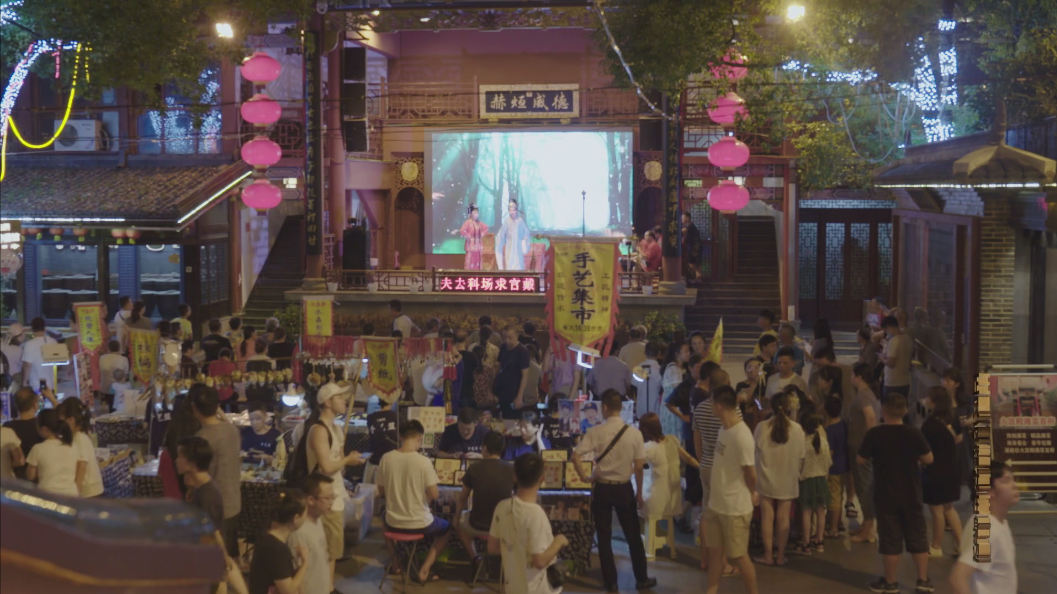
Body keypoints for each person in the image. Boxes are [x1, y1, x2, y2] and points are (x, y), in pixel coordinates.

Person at [571, 389, 656, 593]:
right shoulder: (634, 433)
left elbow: (575, 455)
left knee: (604, 537)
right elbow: (638, 467)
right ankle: (641, 579)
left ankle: (611, 583)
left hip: (602, 488)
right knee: (633, 536)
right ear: (620, 407)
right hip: (624, 489)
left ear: (605, 407)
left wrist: (584, 477)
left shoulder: (596, 431)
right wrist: (638, 494)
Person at [857, 394, 934, 594]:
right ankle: (923, 581)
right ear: (905, 411)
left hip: (885, 494)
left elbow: (860, 459)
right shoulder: (914, 433)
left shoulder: (875, 434)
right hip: (912, 493)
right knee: (918, 538)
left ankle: (891, 583)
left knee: (890, 541)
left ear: (883, 411)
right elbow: (929, 459)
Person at [295, 382, 366, 583]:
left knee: (332, 551)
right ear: (327, 402)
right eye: (339, 397)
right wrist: (348, 460)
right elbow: (326, 467)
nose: (344, 401)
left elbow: (337, 464)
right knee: (327, 550)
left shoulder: (336, 429)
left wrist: (348, 459)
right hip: (323, 497)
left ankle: (327, 587)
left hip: (335, 494)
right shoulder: (318, 430)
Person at [377, 420, 452, 584]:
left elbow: (381, 491)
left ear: (400, 437)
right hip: (420, 522)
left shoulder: (386, 458)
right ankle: (424, 570)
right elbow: (434, 494)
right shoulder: (423, 462)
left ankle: (395, 564)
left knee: (384, 518)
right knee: (447, 529)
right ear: (420, 438)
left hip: (393, 522)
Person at [703, 386, 760, 594]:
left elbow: (751, 473)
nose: (710, 406)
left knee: (739, 556)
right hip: (716, 504)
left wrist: (753, 493)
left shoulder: (742, 435)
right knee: (715, 553)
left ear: (719, 406)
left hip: (735, 508)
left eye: (711, 402)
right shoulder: (723, 429)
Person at [488, 453, 568, 594]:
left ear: (515, 476)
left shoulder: (502, 507)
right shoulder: (536, 514)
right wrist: (559, 541)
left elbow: (492, 547)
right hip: (537, 589)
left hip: (512, 587)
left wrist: (515, 549)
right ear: (542, 478)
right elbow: (539, 561)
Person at [752, 390, 805, 566]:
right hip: (788, 477)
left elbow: (754, 451)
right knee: (784, 518)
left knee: (767, 517)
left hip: (765, 477)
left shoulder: (762, 427)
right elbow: (802, 455)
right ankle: (781, 556)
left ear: (771, 408)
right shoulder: (797, 429)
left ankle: (768, 555)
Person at [949, 460, 1018, 594]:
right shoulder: (986, 528)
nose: (1014, 485)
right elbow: (958, 578)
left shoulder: (999, 522)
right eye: (1006, 481)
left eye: (1013, 480)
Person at [191, 386, 242, 560]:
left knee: (215, 561)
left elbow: (195, 478)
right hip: (233, 502)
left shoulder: (201, 439)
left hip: (212, 507)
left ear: (194, 408)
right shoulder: (232, 430)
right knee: (229, 557)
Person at [455, 430, 515, 562]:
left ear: (485, 448)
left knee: (459, 526)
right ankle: (503, 560)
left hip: (477, 525)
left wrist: (456, 518)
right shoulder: (512, 469)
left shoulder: (474, 468)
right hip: (503, 526)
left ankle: (476, 558)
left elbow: (463, 497)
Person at [921, 386, 964, 557]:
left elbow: (923, 448)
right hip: (951, 468)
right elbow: (958, 438)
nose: (925, 400)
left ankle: (936, 546)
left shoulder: (930, 425)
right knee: (948, 508)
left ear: (934, 402)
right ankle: (962, 545)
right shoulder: (952, 418)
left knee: (936, 510)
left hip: (935, 471)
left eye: (928, 397)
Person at [248, 489, 309, 594]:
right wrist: (305, 564)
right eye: (305, 514)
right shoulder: (276, 548)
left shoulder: (268, 537)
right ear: (296, 518)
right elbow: (288, 591)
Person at [639, 412, 697, 521]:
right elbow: (689, 459)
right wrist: (702, 468)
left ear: (644, 430)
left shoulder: (648, 447)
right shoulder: (672, 440)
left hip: (656, 499)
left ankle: (643, 528)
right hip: (673, 499)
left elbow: (635, 467)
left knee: (634, 489)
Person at [289, 473, 337, 594]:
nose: (331, 502)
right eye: (327, 498)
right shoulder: (299, 532)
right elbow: (298, 576)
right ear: (310, 500)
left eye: (333, 497)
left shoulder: (318, 519)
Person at [849, 362, 881, 543]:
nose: (850, 378)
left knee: (865, 487)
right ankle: (866, 524)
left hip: (862, 448)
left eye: (852, 375)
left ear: (858, 378)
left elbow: (870, 417)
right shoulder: (868, 394)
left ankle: (868, 529)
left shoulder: (863, 395)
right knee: (863, 486)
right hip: (860, 446)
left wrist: (868, 446)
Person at [796, 411, 832, 554]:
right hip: (821, 479)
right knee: (820, 512)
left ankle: (806, 543)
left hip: (806, 480)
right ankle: (819, 541)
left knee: (806, 512)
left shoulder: (803, 442)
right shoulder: (823, 441)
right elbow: (828, 462)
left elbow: (799, 464)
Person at [175, 436, 225, 531]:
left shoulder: (207, 496)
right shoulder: (199, 488)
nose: (176, 460)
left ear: (192, 462)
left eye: (180, 456)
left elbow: (211, 534)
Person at [56, 398, 104, 498]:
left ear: (71, 420)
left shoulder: (79, 438)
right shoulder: (79, 436)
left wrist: (76, 492)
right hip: (90, 491)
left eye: (62, 421)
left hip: (89, 491)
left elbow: (82, 465)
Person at [26, 409, 79, 497]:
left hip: (48, 496)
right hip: (71, 496)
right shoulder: (72, 446)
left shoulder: (38, 448)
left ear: (44, 429)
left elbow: (30, 476)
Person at [823, 395, 850, 537]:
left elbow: (830, 452)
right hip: (844, 465)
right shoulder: (843, 424)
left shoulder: (830, 430)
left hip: (833, 468)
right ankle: (837, 522)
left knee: (833, 499)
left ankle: (833, 528)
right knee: (838, 495)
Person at [4, 387, 44, 479]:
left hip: (15, 478)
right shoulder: (42, 427)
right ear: (35, 405)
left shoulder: (7, 427)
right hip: (38, 476)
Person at [496, 326, 531, 419]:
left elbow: (525, 376)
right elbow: (498, 367)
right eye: (504, 338)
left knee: (514, 420)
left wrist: (519, 396)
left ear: (517, 336)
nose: (507, 340)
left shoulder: (522, 351)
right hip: (502, 391)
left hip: (514, 392)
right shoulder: (503, 347)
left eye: (510, 337)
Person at [660, 341, 690, 437]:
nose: (689, 353)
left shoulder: (677, 368)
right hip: (673, 410)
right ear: (677, 354)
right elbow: (680, 391)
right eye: (686, 351)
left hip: (673, 408)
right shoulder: (674, 370)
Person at [878, 315, 912, 400]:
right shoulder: (907, 338)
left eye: (886, 330)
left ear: (889, 327)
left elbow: (891, 363)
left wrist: (882, 358)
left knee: (890, 406)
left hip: (893, 382)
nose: (887, 333)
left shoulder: (894, 341)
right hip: (905, 381)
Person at [241, 402, 285, 466]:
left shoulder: (275, 435)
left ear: (265, 417)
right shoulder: (245, 432)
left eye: (258, 419)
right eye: (251, 419)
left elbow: (282, 457)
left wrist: (271, 458)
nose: (254, 422)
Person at [20, 317, 58, 391]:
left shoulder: (29, 344)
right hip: (52, 385)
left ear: (32, 329)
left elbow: (27, 365)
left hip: (36, 386)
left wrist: (24, 382)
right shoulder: (53, 341)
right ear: (44, 328)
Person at [495, 198, 531, 271]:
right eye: (510, 210)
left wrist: (524, 246)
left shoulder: (520, 222)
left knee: (518, 267)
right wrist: (499, 245)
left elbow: (526, 235)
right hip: (509, 250)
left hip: (518, 251)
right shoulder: (507, 222)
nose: (512, 212)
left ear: (517, 210)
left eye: (513, 210)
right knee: (509, 266)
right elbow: (500, 236)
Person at [633, 342, 664, 417]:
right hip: (656, 410)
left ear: (644, 352)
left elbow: (634, 385)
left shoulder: (638, 368)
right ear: (659, 353)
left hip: (641, 409)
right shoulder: (660, 370)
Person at [460, 204, 489, 270]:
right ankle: (469, 275)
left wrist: (482, 234)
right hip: (471, 245)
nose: (476, 214)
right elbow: (462, 230)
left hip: (478, 246)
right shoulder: (468, 222)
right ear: (471, 213)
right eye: (475, 213)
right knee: (470, 261)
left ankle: (478, 274)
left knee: (478, 261)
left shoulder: (479, 223)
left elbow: (486, 228)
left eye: (477, 213)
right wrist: (468, 236)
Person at [681, 211, 702, 284]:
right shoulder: (687, 225)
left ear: (687, 218)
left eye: (683, 218)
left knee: (696, 262)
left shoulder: (690, 224)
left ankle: (698, 277)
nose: (682, 219)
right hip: (692, 246)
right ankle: (698, 276)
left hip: (696, 246)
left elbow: (683, 231)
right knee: (691, 262)